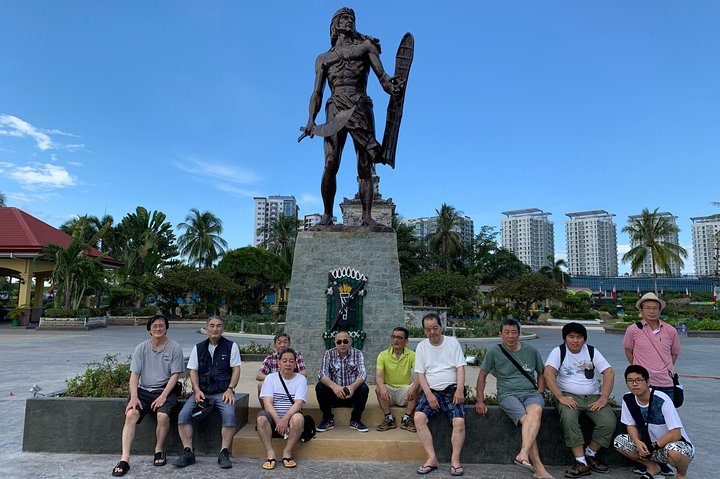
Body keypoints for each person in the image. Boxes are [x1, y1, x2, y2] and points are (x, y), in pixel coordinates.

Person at [303, 7, 402, 227]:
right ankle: (327, 215)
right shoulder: (324, 58)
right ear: (335, 25)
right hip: (335, 108)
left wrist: (391, 86)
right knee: (330, 163)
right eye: (344, 18)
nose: (349, 21)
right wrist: (311, 119)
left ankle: (367, 216)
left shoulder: (366, 47)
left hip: (360, 106)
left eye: (352, 19)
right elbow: (317, 92)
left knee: (365, 165)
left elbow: (383, 77)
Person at [476, 319, 554, 479]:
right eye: (507, 332)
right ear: (500, 334)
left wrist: (539, 393)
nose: (510, 336)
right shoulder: (494, 352)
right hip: (507, 395)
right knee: (527, 421)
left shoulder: (531, 350)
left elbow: (541, 372)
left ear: (519, 334)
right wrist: (480, 400)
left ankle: (523, 454)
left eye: (514, 332)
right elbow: (482, 375)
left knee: (536, 411)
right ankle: (539, 469)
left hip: (531, 393)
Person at [111, 314, 184, 477]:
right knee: (131, 414)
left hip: (165, 389)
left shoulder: (175, 348)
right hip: (143, 391)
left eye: (161, 325)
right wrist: (134, 396)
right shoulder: (141, 348)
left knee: (163, 416)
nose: (158, 328)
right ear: (149, 330)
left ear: (166, 328)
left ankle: (159, 450)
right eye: (155, 326)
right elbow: (134, 375)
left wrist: (164, 396)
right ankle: (124, 459)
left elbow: (175, 375)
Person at [544, 322, 616, 478]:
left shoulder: (591, 351)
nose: (575, 341)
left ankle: (590, 453)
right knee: (569, 419)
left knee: (608, 421)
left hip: (592, 397)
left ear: (584, 339)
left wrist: (604, 398)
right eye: (571, 337)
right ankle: (581, 462)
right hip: (569, 396)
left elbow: (609, 372)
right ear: (565, 338)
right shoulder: (558, 351)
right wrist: (560, 397)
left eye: (579, 337)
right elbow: (548, 373)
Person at [623, 292, 682, 476]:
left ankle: (662, 461)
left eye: (655, 308)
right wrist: (640, 373)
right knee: (642, 423)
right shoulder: (633, 330)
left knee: (663, 425)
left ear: (660, 310)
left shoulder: (670, 331)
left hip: (665, 384)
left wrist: (663, 370)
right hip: (642, 385)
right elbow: (628, 351)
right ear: (640, 310)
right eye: (647, 308)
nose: (651, 311)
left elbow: (674, 354)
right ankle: (645, 461)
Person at [174, 316, 241, 469]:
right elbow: (193, 371)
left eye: (218, 326)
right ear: (206, 328)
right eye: (212, 326)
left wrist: (230, 389)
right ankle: (188, 452)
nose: (215, 329)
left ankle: (224, 452)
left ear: (222, 328)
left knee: (229, 415)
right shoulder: (198, 348)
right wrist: (196, 390)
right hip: (202, 392)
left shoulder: (231, 346)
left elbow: (236, 369)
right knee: (183, 415)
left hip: (223, 391)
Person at [614, 365, 694, 479]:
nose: (634, 384)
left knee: (674, 452)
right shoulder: (628, 399)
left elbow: (676, 433)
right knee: (619, 442)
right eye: (630, 381)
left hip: (676, 446)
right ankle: (652, 467)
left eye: (638, 380)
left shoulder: (662, 399)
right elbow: (630, 425)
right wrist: (637, 442)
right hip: (649, 447)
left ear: (648, 382)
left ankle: (681, 474)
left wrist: (652, 447)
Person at [413, 313, 466, 477]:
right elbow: (420, 374)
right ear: (424, 331)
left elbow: (460, 367)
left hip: (451, 391)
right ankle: (431, 458)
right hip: (432, 392)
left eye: (435, 328)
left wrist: (460, 389)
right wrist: (428, 394)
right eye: (428, 329)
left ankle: (455, 460)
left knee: (459, 421)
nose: (432, 332)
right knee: (418, 418)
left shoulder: (452, 343)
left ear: (441, 327)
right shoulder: (421, 346)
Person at [257, 348, 307, 470]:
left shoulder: (301, 379)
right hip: (274, 417)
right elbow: (267, 404)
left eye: (291, 361)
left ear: (295, 364)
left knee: (298, 418)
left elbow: (298, 403)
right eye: (284, 361)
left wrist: (284, 419)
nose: (288, 364)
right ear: (279, 363)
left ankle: (287, 452)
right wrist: (278, 420)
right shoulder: (270, 378)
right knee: (261, 418)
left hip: (289, 417)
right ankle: (270, 453)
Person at [315, 330, 369, 433]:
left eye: (345, 341)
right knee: (320, 387)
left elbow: (363, 374)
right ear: (335, 343)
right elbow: (321, 374)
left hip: (351, 394)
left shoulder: (357, 353)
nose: (342, 344)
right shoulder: (328, 354)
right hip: (334, 394)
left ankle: (355, 419)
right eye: (339, 342)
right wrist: (335, 387)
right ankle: (327, 419)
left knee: (364, 388)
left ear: (350, 342)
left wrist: (352, 387)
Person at [374, 326, 418, 432]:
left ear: (406, 341)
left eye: (399, 338)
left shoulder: (412, 355)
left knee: (417, 387)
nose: (395, 340)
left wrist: (413, 387)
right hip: (389, 393)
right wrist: (382, 387)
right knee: (378, 388)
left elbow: (419, 375)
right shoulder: (383, 355)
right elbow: (378, 376)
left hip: (404, 392)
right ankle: (389, 419)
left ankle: (407, 419)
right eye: (393, 337)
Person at [256, 333, 307, 399]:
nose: (282, 345)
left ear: (289, 344)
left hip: (291, 382)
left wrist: (290, 379)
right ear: (275, 345)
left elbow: (303, 372)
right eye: (279, 343)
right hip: (275, 384)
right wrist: (276, 379)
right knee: (261, 384)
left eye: (285, 342)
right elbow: (259, 375)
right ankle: (266, 408)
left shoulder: (296, 355)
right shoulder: (270, 358)